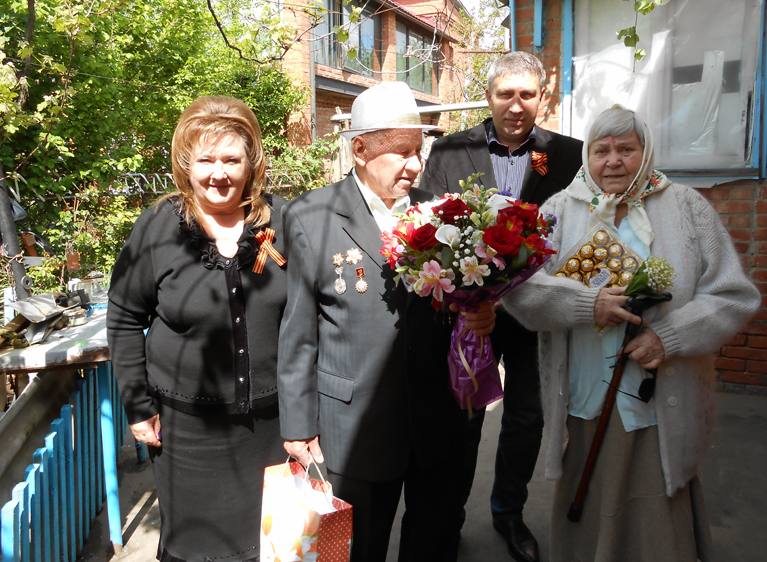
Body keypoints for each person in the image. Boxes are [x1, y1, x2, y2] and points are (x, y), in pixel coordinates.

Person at [502, 105, 760, 562]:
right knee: (586, 495)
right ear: (588, 156)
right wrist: (587, 304)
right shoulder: (560, 209)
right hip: (584, 395)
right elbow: (520, 290)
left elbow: (732, 295)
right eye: (601, 150)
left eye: (627, 148)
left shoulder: (685, 206)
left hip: (660, 398)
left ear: (646, 152)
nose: (613, 160)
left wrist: (670, 336)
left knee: (656, 507)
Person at [277, 81, 496, 562]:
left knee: (433, 540)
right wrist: (297, 423)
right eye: (401, 152)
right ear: (360, 149)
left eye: (418, 151)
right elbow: (298, 329)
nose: (415, 165)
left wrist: (479, 312)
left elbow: (456, 300)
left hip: (436, 417)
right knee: (359, 547)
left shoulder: (439, 214)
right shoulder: (311, 216)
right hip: (355, 424)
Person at [107, 96, 288, 562]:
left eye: (231, 159)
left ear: (252, 163)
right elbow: (126, 316)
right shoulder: (159, 227)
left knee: (270, 544)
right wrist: (137, 405)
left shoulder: (282, 223)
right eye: (205, 160)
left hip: (271, 429)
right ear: (187, 164)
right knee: (193, 546)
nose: (218, 173)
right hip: (186, 432)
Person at [419, 51, 582, 562]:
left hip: (535, 313)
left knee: (526, 416)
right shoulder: (450, 150)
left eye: (527, 95)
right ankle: (451, 515)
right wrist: (462, 299)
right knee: (464, 415)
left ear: (542, 98)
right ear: (488, 96)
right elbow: (424, 225)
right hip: (471, 313)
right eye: (505, 94)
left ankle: (508, 513)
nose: (516, 106)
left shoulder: (569, 156)